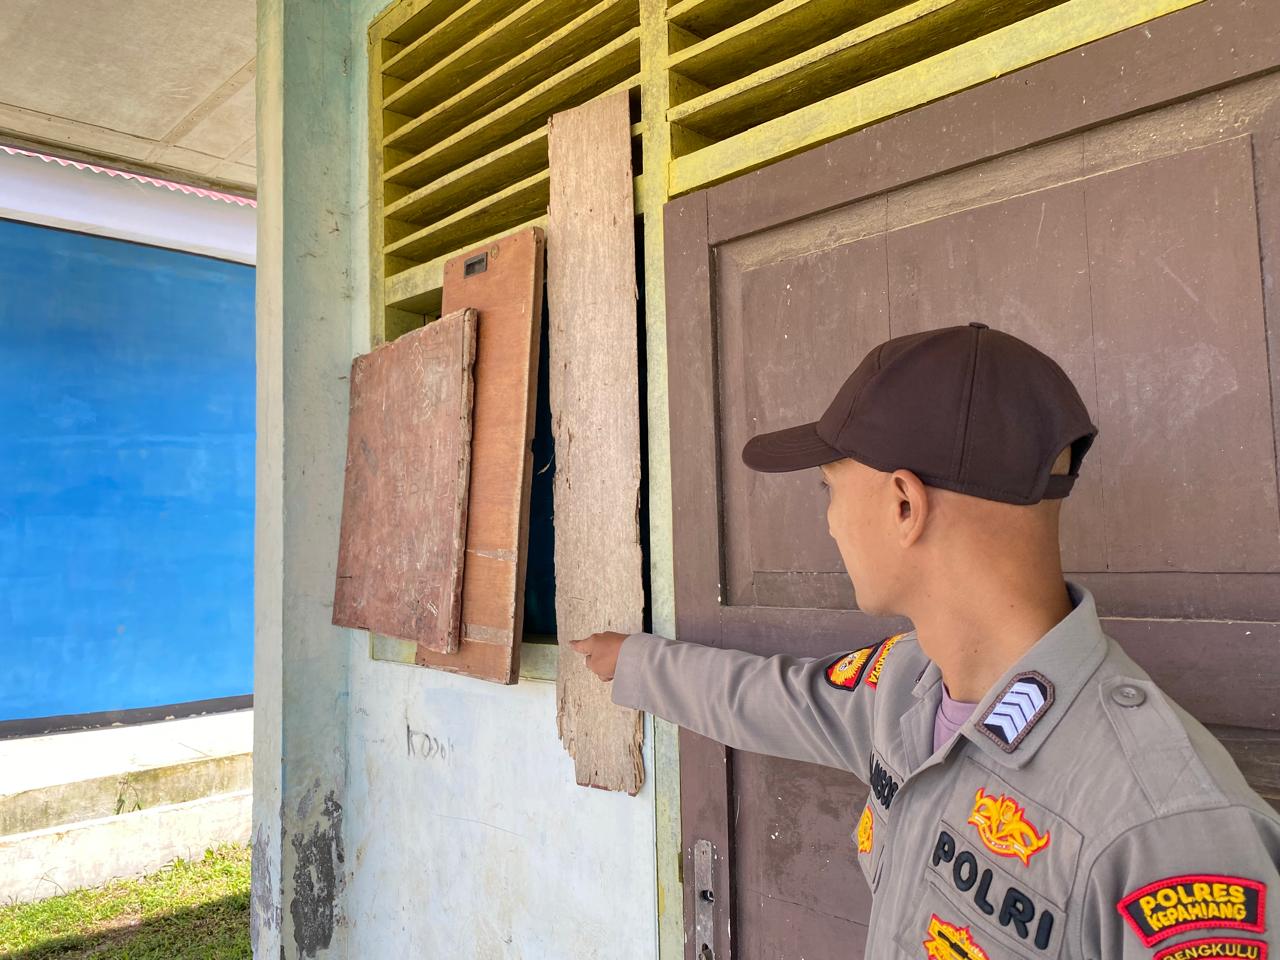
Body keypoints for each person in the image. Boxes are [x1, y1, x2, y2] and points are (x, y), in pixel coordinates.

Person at [570, 322, 1280, 960]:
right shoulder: (909, 683)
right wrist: (629, 661)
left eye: (828, 490)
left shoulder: (1162, 829)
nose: (830, 525)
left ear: (905, 505)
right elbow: (774, 700)